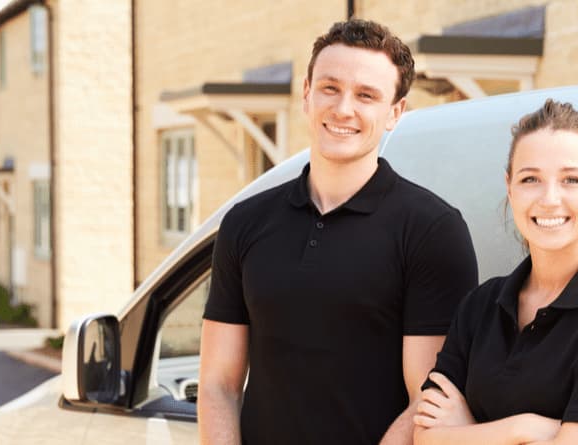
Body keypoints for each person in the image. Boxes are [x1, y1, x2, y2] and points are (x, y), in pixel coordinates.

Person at [198, 19, 479, 445]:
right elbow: (218, 384)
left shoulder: (432, 230)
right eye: (330, 88)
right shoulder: (245, 222)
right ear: (306, 94)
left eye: (366, 95)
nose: (344, 109)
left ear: (395, 112)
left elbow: (430, 398)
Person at [412, 99, 578, 445]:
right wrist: (523, 429)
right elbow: (425, 436)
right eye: (531, 179)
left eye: (571, 179)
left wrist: (465, 429)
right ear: (509, 187)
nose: (549, 199)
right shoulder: (480, 305)